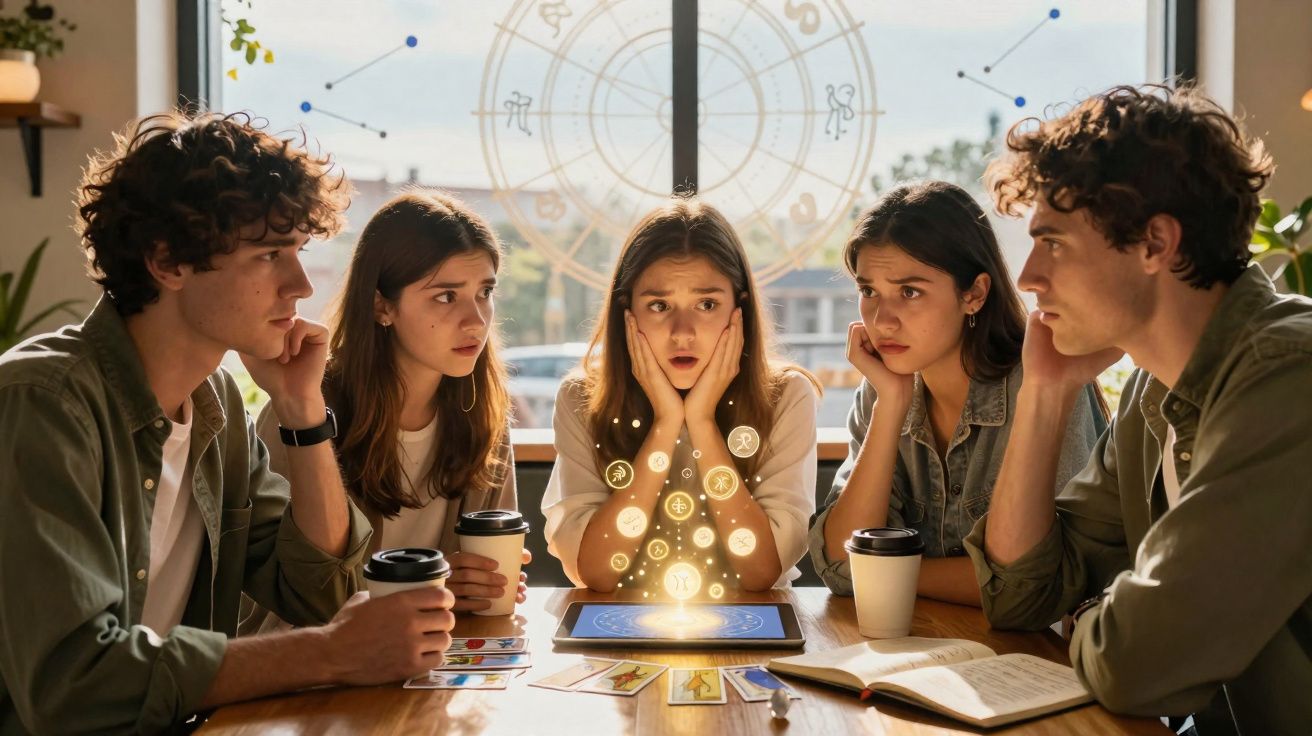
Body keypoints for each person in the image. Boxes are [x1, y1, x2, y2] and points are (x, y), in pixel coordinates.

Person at [0, 111, 455, 734]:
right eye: (269, 255)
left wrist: (301, 409)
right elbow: (73, 684)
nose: (300, 285)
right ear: (168, 262)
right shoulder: (43, 404)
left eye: (297, 252)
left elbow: (320, 592)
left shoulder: (217, 406)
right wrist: (328, 653)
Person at [966, 84, 1310, 734]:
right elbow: (1020, 595)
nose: (1028, 277)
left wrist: (1089, 618)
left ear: (1155, 243)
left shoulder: (1289, 376)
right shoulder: (1152, 397)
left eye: (1053, 243)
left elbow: (1136, 663)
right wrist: (1045, 393)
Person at [808, 180, 1106, 606]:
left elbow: (1043, 585)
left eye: (909, 292)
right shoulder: (881, 391)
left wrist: (881, 572)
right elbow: (840, 563)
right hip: (921, 640)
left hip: (1038, 647)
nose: (883, 320)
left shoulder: (1046, 382)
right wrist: (892, 403)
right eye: (868, 291)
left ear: (974, 294)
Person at [251, 191, 527, 620]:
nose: (476, 320)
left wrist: (484, 582)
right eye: (446, 296)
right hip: (313, 650)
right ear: (382, 305)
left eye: (485, 292)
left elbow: (479, 582)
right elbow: (295, 591)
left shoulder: (483, 410)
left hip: (434, 647)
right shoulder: (304, 403)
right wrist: (429, 586)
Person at [542, 198, 820, 594]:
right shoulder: (581, 399)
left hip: (755, 620)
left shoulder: (787, 395)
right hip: (620, 621)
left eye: (707, 304)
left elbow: (760, 572)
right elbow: (597, 572)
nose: (682, 332)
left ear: (739, 310)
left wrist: (702, 422)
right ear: (627, 313)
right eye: (659, 305)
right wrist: (667, 422)